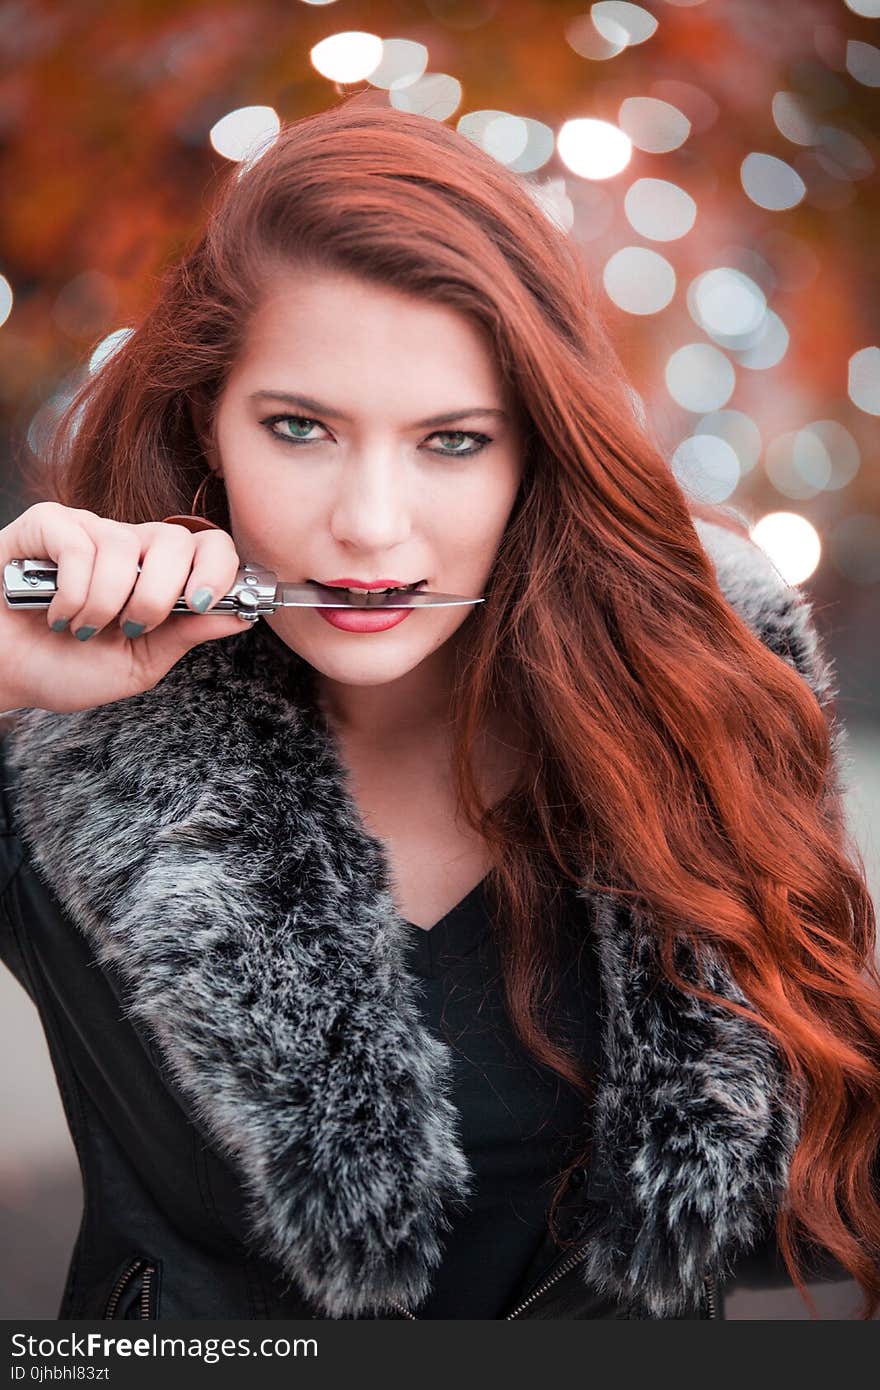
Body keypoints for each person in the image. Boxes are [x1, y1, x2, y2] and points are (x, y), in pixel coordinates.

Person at [0, 93, 878, 1322]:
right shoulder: (66, 752)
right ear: (209, 423)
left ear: (536, 454)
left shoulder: (701, 703)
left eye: (452, 442)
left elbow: (821, 1195)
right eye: (300, 428)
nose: (368, 524)